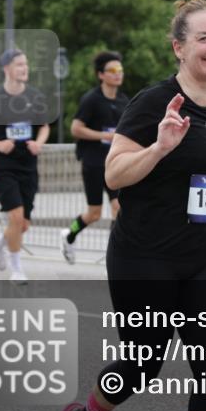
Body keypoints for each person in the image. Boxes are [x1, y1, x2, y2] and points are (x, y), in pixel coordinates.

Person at [62, 0, 206, 411]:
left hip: (204, 255)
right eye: (204, 38)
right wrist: (158, 148)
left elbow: (198, 177)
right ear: (179, 47)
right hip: (144, 256)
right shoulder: (153, 102)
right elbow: (114, 174)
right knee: (142, 365)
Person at [0, 49, 50, 285]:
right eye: (19, 65)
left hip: (28, 166)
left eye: (26, 64)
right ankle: (17, 269)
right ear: (6, 69)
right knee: (15, 218)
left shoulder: (34, 97)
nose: (24, 68)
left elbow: (44, 125)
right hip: (3, 166)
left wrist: (39, 142)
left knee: (22, 224)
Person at [62, 51, 129, 264]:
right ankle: (70, 234)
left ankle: (114, 255)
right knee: (93, 214)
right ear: (101, 75)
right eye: (112, 70)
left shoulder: (123, 100)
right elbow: (76, 128)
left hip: (115, 164)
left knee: (119, 207)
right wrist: (104, 135)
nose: (117, 74)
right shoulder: (91, 99)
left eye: (120, 70)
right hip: (93, 163)